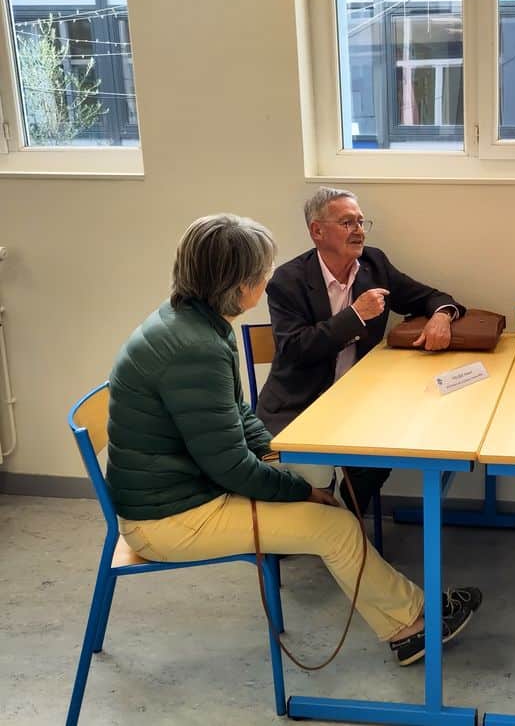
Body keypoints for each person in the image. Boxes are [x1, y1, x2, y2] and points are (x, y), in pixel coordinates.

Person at [106, 214, 480, 666]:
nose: (267, 279)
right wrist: (299, 490)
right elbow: (229, 466)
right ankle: (411, 628)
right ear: (239, 284)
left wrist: (273, 453)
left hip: (183, 490)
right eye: (262, 271)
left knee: (322, 485)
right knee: (336, 526)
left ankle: (408, 613)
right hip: (170, 519)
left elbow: (237, 413)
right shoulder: (195, 348)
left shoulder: (190, 322)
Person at [257, 187, 465, 514]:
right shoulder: (288, 280)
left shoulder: (373, 264)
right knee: (308, 476)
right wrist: (355, 316)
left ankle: (345, 515)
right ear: (317, 231)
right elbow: (296, 348)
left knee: (387, 446)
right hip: (300, 403)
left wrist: (442, 316)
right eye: (347, 223)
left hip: (358, 402)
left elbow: (429, 297)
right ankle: (326, 519)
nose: (359, 231)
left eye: (361, 222)